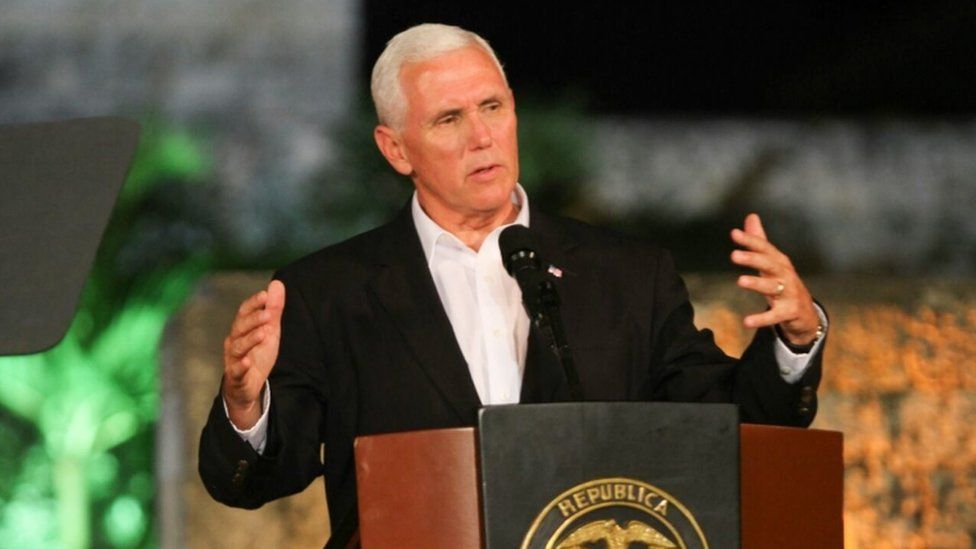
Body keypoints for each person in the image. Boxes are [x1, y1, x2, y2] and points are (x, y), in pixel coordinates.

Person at [199, 23, 827, 545]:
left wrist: (794, 343)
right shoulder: (328, 293)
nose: (482, 136)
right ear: (396, 149)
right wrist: (246, 407)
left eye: (492, 107)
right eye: (449, 119)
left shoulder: (626, 276)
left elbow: (728, 428)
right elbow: (254, 479)